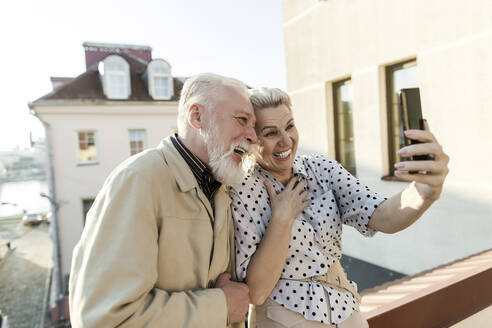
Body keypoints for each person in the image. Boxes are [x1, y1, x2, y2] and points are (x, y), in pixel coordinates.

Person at [230, 87, 449, 328]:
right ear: (251, 137)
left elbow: (382, 215)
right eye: (271, 133)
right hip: (284, 318)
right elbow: (257, 292)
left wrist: (425, 193)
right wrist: (282, 218)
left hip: (345, 309)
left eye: (290, 126)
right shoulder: (242, 189)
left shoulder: (321, 168)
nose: (286, 141)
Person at [69, 73, 258, 328]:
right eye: (242, 120)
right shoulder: (138, 180)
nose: (253, 136)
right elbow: (104, 319)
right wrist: (220, 306)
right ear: (197, 117)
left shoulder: (222, 189)